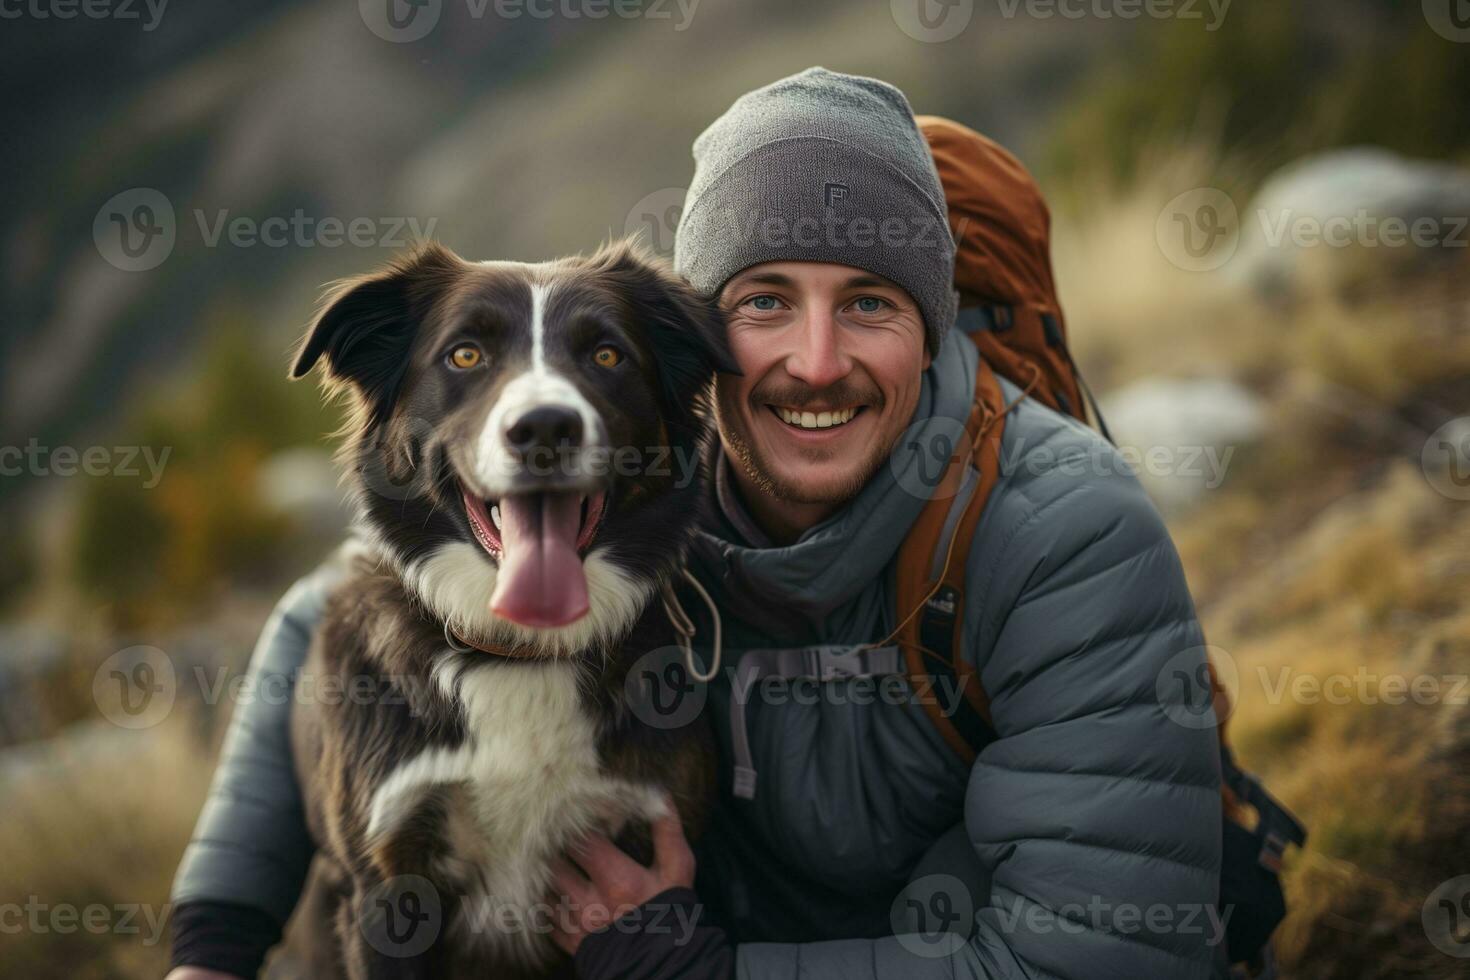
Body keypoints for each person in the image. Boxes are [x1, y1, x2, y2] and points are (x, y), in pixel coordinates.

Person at [167, 67, 1222, 980]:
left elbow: (1102, 956)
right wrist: (213, 938)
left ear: (930, 323)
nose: (814, 361)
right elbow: (329, 617)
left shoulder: (1064, 534)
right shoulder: (656, 487)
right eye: (764, 301)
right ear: (705, 356)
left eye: (869, 302)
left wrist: (693, 968)